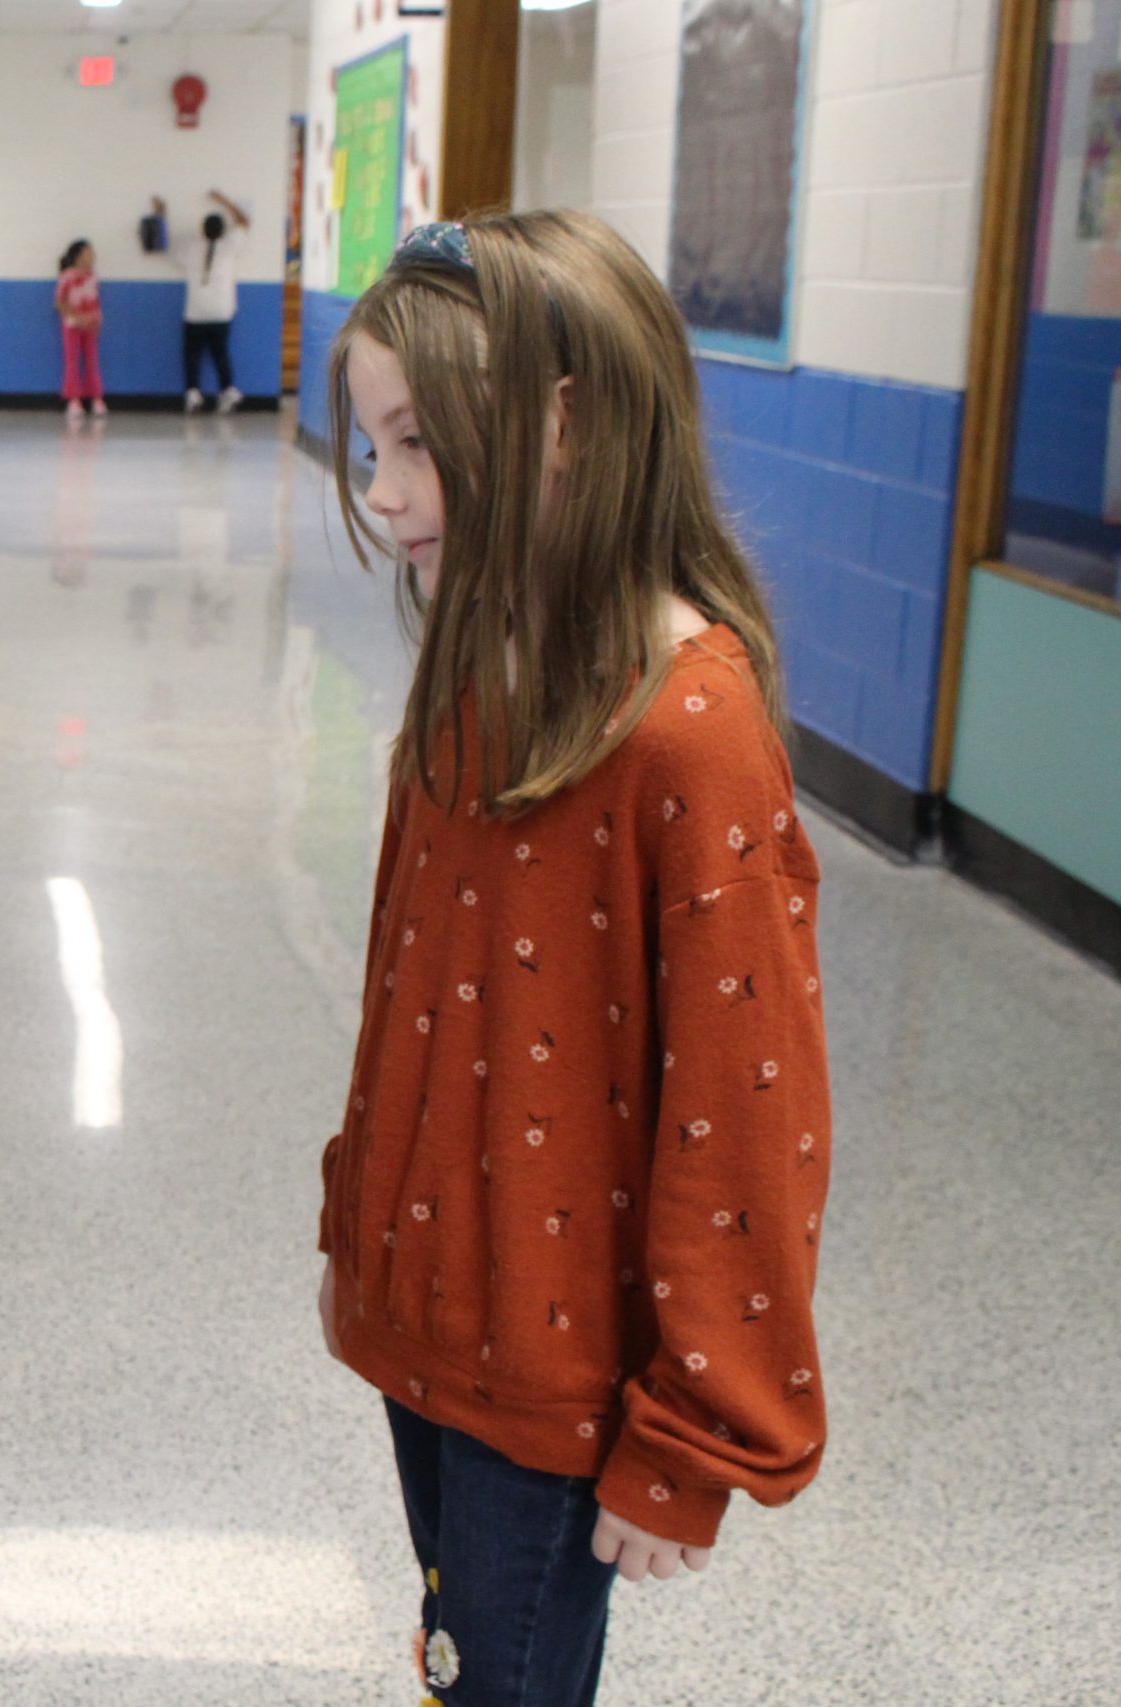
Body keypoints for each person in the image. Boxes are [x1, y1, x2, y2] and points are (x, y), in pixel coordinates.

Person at [316, 210, 832, 1706]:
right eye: (371, 448)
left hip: (563, 1374)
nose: (384, 492)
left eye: (419, 444)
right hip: (444, 1315)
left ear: (564, 424)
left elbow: (749, 1112)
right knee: (457, 1653)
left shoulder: (689, 727)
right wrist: (370, 1231)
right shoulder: (480, 664)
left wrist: (694, 1429)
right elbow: (409, 989)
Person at [152, 190, 250, 412]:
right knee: (220, 353)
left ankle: (193, 393)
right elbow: (244, 221)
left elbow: (164, 243)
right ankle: (227, 390)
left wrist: (161, 214)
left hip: (195, 313)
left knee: (192, 355)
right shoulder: (229, 247)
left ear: (202, 230)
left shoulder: (191, 248)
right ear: (223, 230)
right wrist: (223, 200)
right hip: (222, 312)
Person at [55, 238, 106, 423]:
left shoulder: (93, 276)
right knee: (72, 360)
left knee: (92, 360)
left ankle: (96, 398)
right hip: (72, 324)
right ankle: (74, 400)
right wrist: (76, 317)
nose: (91, 256)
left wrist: (97, 321)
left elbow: (95, 300)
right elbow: (59, 302)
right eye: (87, 252)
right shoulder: (67, 276)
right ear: (77, 256)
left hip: (90, 324)